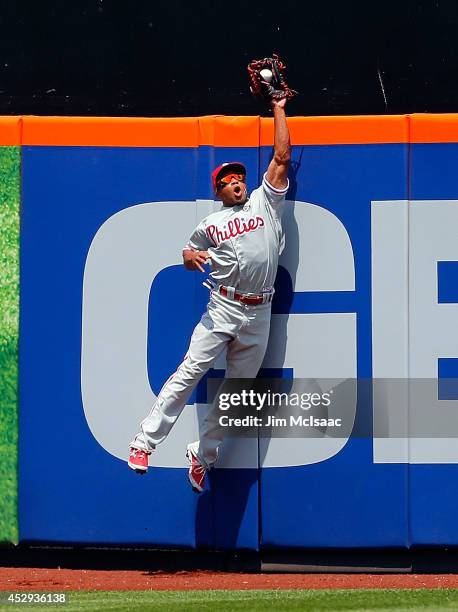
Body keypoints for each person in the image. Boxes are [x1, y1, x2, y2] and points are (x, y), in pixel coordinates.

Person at [128, 97, 291, 493]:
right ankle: (144, 442)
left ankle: (203, 457)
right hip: (222, 306)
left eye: (239, 178)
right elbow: (188, 253)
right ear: (219, 190)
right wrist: (191, 257)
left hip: (260, 311)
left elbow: (282, 157)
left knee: (236, 393)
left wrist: (279, 108)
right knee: (189, 371)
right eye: (228, 180)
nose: (236, 182)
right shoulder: (211, 222)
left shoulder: (264, 203)